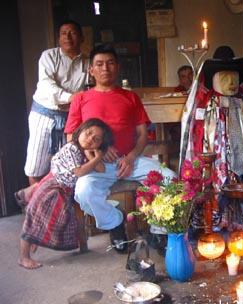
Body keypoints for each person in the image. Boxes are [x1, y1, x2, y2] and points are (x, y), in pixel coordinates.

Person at [64, 44, 176, 253]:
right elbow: (72, 136)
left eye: (110, 63)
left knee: (170, 178)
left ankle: (158, 232)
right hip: (97, 165)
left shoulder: (130, 97)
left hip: (130, 161)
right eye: (99, 64)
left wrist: (132, 157)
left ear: (117, 67)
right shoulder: (81, 99)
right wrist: (96, 153)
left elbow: (142, 134)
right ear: (92, 70)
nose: (105, 68)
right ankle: (114, 223)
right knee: (83, 191)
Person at [180, 45, 243, 232]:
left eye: (234, 76)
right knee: (218, 178)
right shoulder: (207, 104)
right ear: (213, 78)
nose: (230, 81)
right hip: (218, 152)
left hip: (242, 151)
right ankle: (213, 219)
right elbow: (198, 132)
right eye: (224, 77)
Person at [19, 118, 114, 269]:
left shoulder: (87, 152)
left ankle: (35, 238)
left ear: (100, 144)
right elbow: (79, 171)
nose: (90, 139)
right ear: (80, 131)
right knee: (34, 218)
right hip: (53, 186)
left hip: (64, 189)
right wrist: (96, 159)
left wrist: (93, 157)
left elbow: (101, 170)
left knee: (54, 218)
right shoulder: (71, 148)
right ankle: (24, 257)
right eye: (88, 133)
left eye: (96, 139)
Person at [21, 20, 89, 191]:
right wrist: (71, 97)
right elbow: (47, 85)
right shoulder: (49, 56)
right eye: (63, 33)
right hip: (44, 114)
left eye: (72, 32)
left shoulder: (88, 63)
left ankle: (59, 207)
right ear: (58, 38)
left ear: (81, 37)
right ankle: (37, 206)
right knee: (36, 164)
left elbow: (90, 91)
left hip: (71, 118)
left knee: (67, 164)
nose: (67, 37)